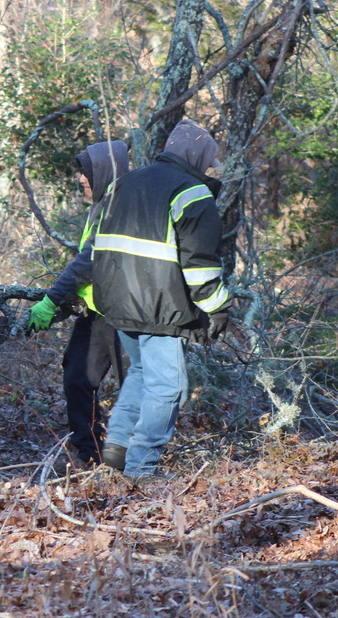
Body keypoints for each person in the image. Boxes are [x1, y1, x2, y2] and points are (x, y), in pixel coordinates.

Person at [89, 120, 232, 479]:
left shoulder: (124, 181)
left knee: (140, 372)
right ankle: (142, 469)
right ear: (198, 156)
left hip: (115, 301)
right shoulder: (192, 193)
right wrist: (218, 308)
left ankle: (117, 447)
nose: (209, 168)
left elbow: (94, 244)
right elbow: (199, 265)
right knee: (169, 387)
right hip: (158, 306)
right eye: (209, 160)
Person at [26, 140, 130, 468]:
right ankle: (88, 454)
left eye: (85, 173)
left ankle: (134, 462)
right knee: (77, 378)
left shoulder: (119, 206)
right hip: (99, 313)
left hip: (128, 315)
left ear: (103, 173)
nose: (80, 179)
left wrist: (50, 300)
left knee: (134, 385)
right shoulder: (102, 204)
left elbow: (88, 261)